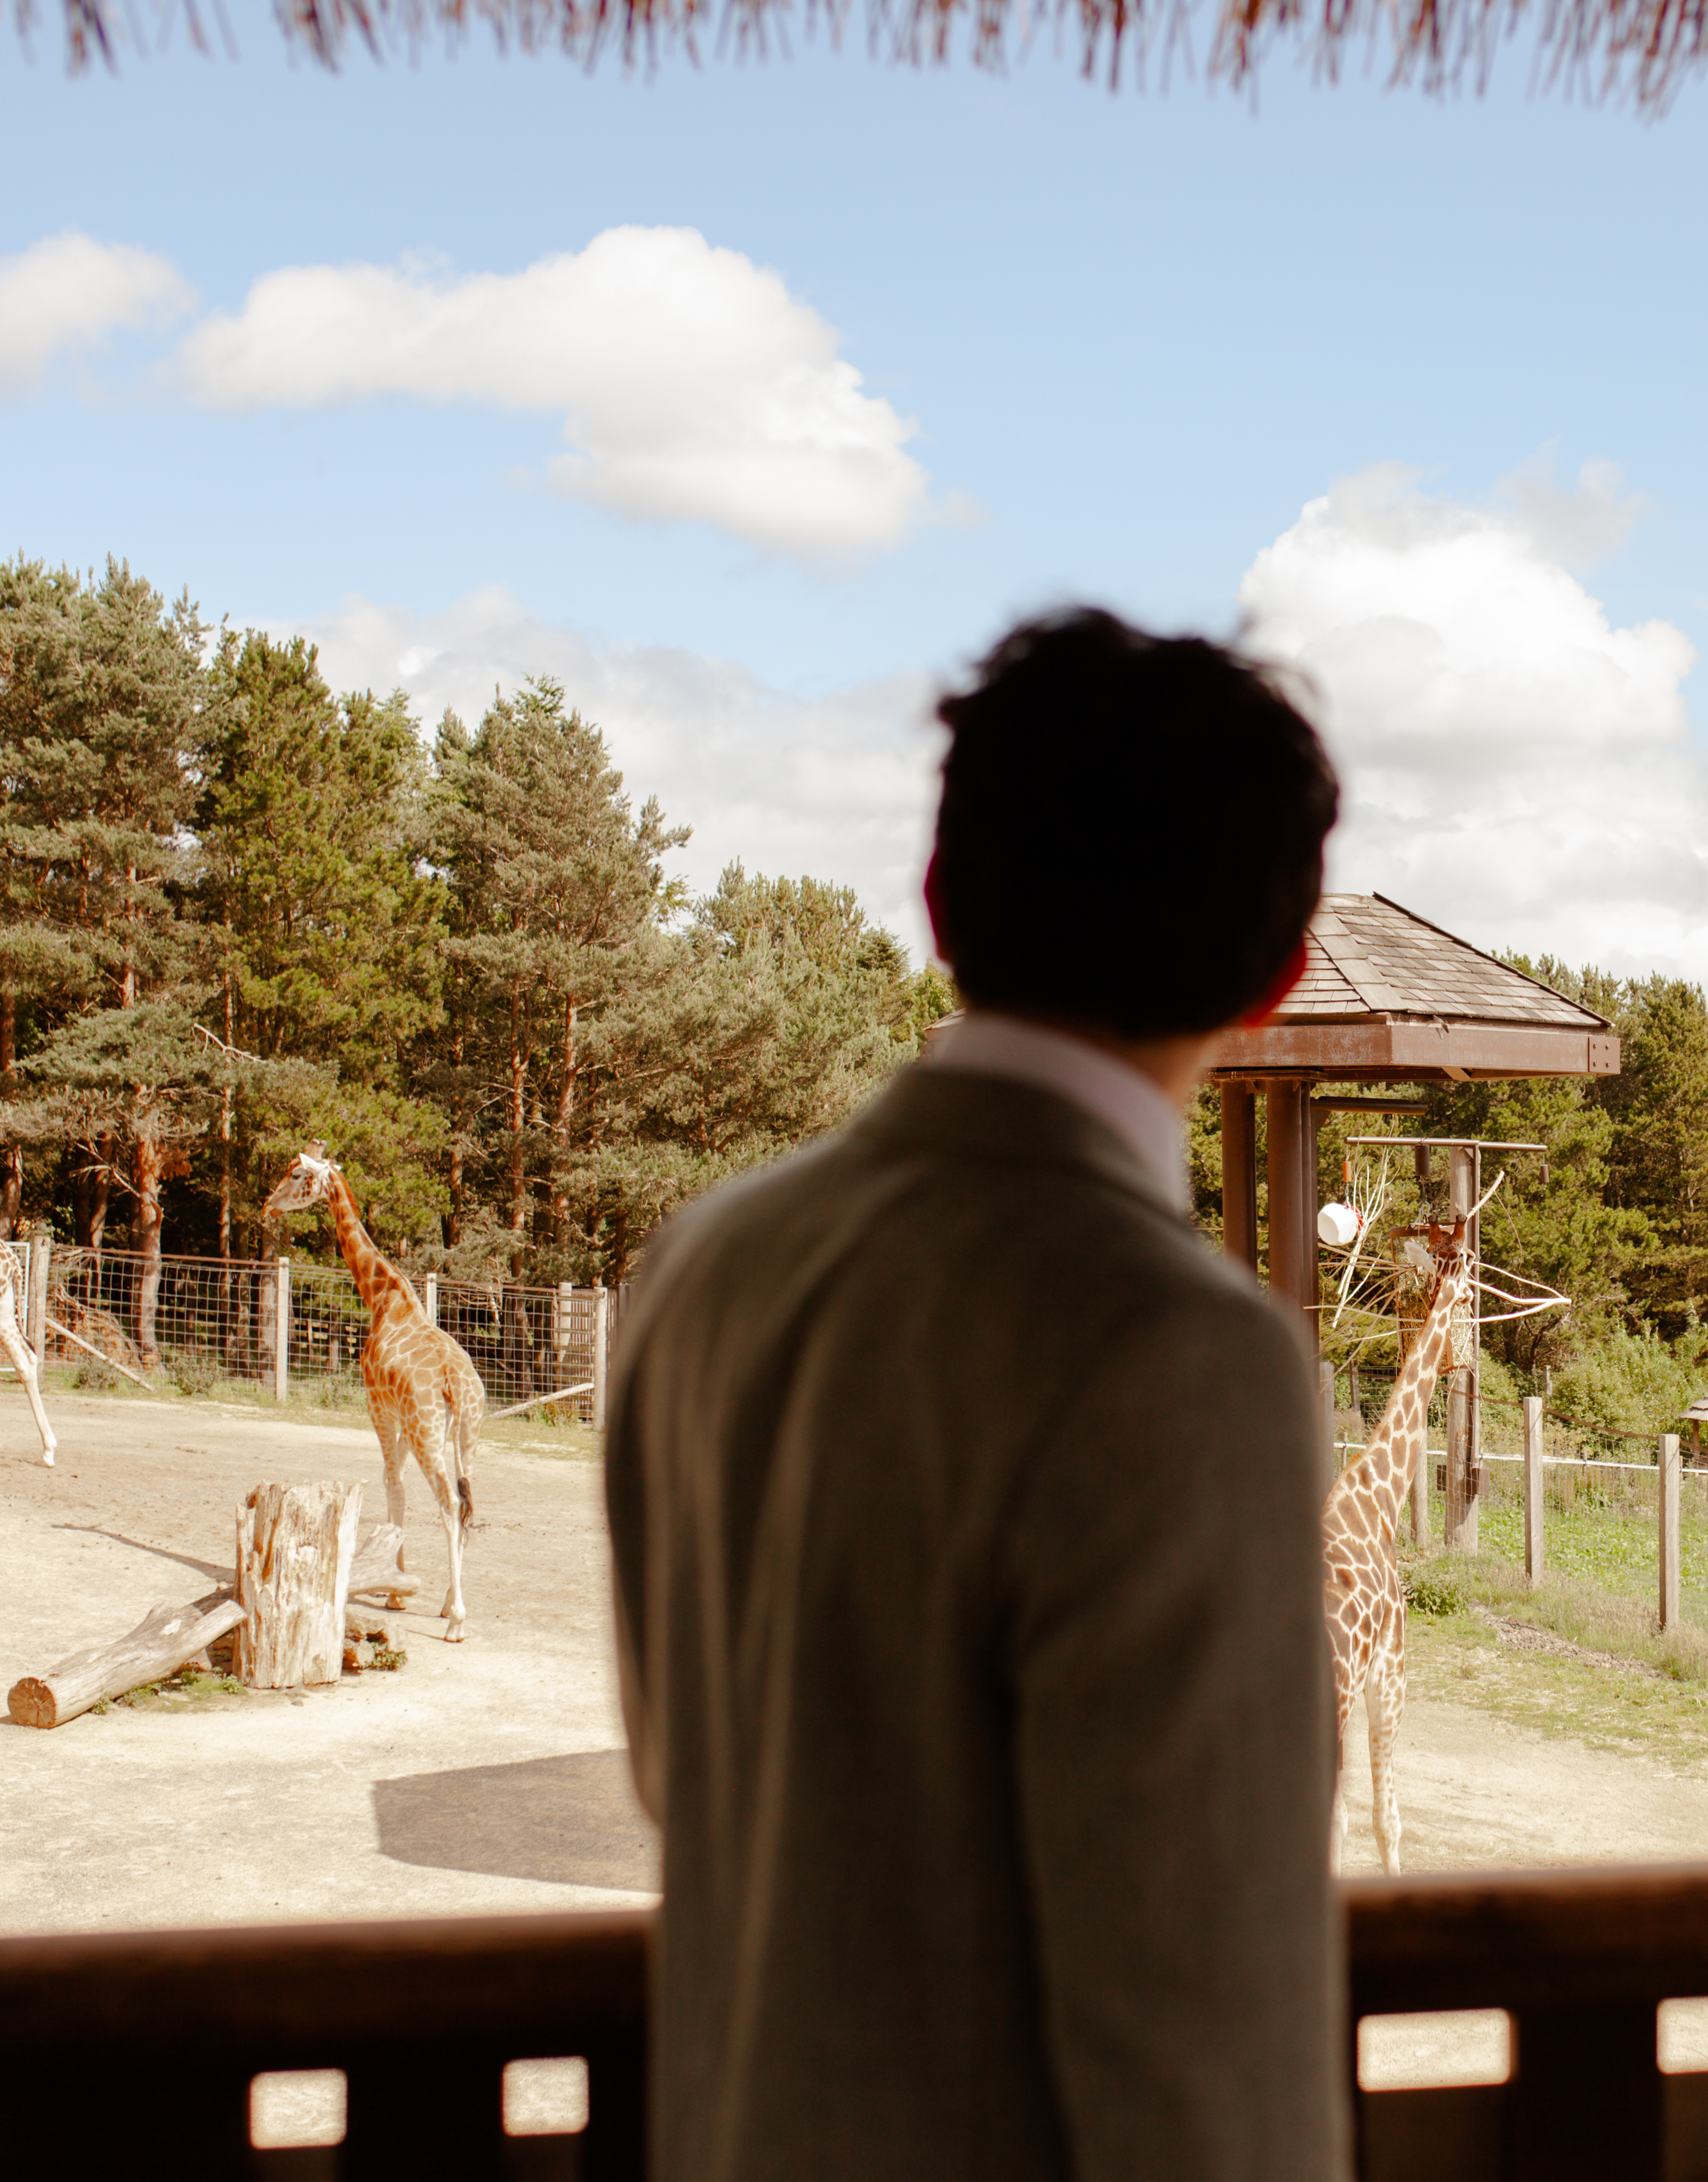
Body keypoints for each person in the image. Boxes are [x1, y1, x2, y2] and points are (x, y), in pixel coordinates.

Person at [604, 608, 1346, 2182]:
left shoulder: (703, 1262)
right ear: (1278, 965)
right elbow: (1205, 2018)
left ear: (941, 902)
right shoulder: (1185, 1348)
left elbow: (686, 1773)